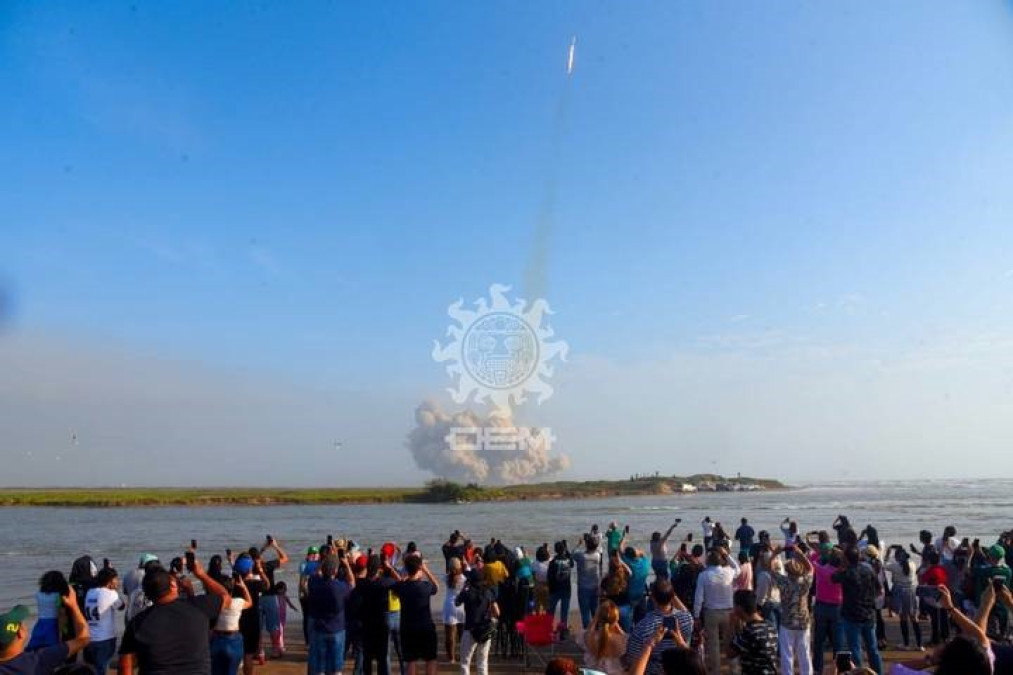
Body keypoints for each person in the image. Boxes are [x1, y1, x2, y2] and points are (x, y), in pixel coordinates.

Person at [118, 556, 231, 674]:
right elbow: (225, 596)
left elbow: (125, 665)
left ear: (147, 593)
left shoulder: (137, 623)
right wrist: (201, 574)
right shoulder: (200, 607)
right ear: (173, 586)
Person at [0, 592, 90, 674]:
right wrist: (74, 605)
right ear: (20, 634)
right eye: (22, 624)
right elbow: (83, 639)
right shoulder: (39, 660)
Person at [624, 580, 694, 675]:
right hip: (680, 670)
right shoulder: (687, 619)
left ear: (653, 598)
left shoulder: (643, 626)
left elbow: (632, 659)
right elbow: (685, 611)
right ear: (672, 597)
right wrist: (671, 594)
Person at [833, 546, 883, 674]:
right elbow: (879, 590)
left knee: (855, 649)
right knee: (873, 649)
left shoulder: (846, 573)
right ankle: (878, 673)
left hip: (852, 616)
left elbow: (833, 578)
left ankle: (859, 673)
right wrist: (868, 599)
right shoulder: (868, 569)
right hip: (868, 614)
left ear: (847, 560)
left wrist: (841, 564)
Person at [693, 546, 740, 675]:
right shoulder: (729, 571)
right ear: (721, 561)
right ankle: (734, 670)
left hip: (711, 612)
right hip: (729, 612)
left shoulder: (703, 575)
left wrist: (696, 615)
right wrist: (727, 555)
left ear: (708, 561)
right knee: (730, 643)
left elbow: (699, 597)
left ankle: (716, 671)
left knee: (713, 645)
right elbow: (738, 568)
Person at [307, 554, 355, 675]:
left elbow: (313, 575)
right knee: (336, 668)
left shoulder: (314, 583)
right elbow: (352, 583)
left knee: (319, 667)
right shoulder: (339, 587)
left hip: (320, 628)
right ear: (335, 570)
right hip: (337, 628)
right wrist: (347, 565)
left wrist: (322, 562)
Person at [394, 553, 440, 675]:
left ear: (407, 569)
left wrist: (405, 577)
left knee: (410, 660)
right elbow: (437, 586)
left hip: (407, 627)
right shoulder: (425, 586)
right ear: (419, 569)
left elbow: (398, 585)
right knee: (430, 659)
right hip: (426, 627)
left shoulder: (401, 587)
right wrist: (426, 570)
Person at [770, 546, 814, 675]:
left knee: (786, 654)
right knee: (804, 653)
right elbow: (811, 568)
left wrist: (775, 553)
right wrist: (801, 555)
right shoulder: (805, 581)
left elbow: (770, 568)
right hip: (803, 621)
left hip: (787, 621)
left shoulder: (783, 581)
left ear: (787, 571)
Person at [455, 570, 499, 675]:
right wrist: (491, 618)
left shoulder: (467, 592)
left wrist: (464, 588)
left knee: (465, 662)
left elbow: (457, 602)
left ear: (470, 580)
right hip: (484, 629)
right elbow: (497, 612)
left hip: (470, 629)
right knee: (482, 662)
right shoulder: (488, 592)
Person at [83, 566, 125, 675]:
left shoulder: (89, 592)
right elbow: (121, 606)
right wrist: (115, 590)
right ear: (110, 581)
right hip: (105, 638)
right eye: (116, 579)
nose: (118, 581)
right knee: (101, 669)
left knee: (96, 667)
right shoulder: (111, 594)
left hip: (91, 638)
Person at [810, 544, 845, 674]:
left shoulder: (821, 569)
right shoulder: (842, 573)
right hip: (837, 607)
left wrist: (818, 552)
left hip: (822, 606)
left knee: (819, 641)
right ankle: (841, 669)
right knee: (838, 643)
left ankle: (818, 669)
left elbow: (811, 561)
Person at [729, 589, 778, 675]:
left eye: (735, 606)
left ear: (739, 608)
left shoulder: (749, 632)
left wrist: (732, 626)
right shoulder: (771, 627)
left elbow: (730, 653)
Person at [212, 575, 252, 675]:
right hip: (233, 639)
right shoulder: (238, 602)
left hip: (216, 638)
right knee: (231, 671)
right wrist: (243, 587)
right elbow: (250, 603)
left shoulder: (213, 603)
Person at [885, 545, 922, 651]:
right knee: (914, 617)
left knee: (903, 618)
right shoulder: (913, 564)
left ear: (897, 557)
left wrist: (887, 553)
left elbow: (884, 565)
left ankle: (906, 644)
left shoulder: (895, 566)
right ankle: (920, 645)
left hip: (900, 592)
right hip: (911, 591)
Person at [26, 571, 69, 651]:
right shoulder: (58, 596)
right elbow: (61, 613)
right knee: (52, 648)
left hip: (41, 623)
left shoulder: (39, 594)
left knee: (34, 647)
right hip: (53, 624)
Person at [582, 600, 626, 675]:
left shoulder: (590, 637)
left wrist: (595, 619)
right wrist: (617, 625)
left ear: (598, 618)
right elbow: (625, 638)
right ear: (616, 618)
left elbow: (587, 632)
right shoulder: (622, 639)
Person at [572, 534, 603, 629]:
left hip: (583, 588)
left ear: (586, 545)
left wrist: (579, 544)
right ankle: (597, 632)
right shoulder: (598, 555)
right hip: (595, 587)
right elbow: (598, 549)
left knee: (585, 613)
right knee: (595, 612)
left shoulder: (581, 556)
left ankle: (587, 633)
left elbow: (572, 553)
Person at [547, 542, 574, 638]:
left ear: (555, 550)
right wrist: (567, 551)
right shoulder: (568, 561)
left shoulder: (553, 562)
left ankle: (549, 631)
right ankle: (563, 633)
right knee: (564, 612)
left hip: (554, 590)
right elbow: (572, 563)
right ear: (564, 550)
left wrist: (550, 590)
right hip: (566, 589)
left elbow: (549, 577)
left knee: (550, 611)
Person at [442, 557, 466, 664]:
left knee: (450, 636)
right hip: (461, 606)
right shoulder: (464, 578)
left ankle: (451, 658)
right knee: (463, 634)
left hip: (449, 606)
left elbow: (448, 575)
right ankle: (463, 656)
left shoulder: (446, 578)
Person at [601, 551, 632, 631]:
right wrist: (621, 561)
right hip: (625, 607)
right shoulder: (625, 577)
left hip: (612, 609)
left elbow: (600, 593)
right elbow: (629, 571)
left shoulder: (606, 580)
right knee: (626, 633)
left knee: (612, 633)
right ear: (620, 566)